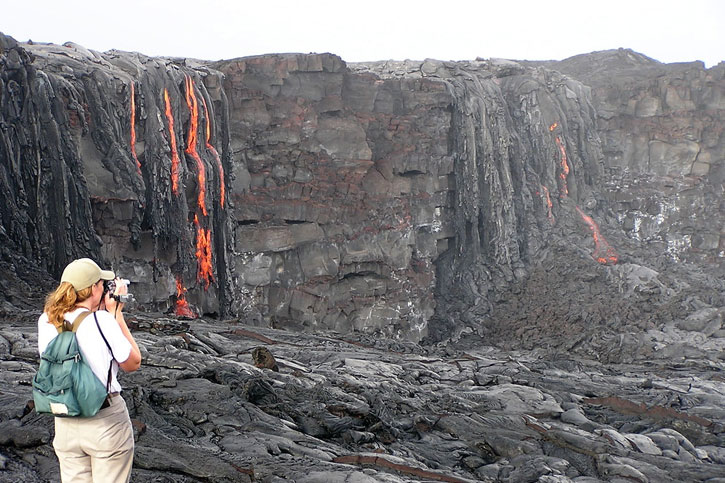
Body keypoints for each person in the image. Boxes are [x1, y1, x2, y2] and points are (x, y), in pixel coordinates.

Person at [37, 258, 142, 483]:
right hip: (104, 421)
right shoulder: (102, 320)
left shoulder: (46, 320)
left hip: (65, 419)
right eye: (102, 284)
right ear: (94, 288)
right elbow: (133, 362)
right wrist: (117, 314)